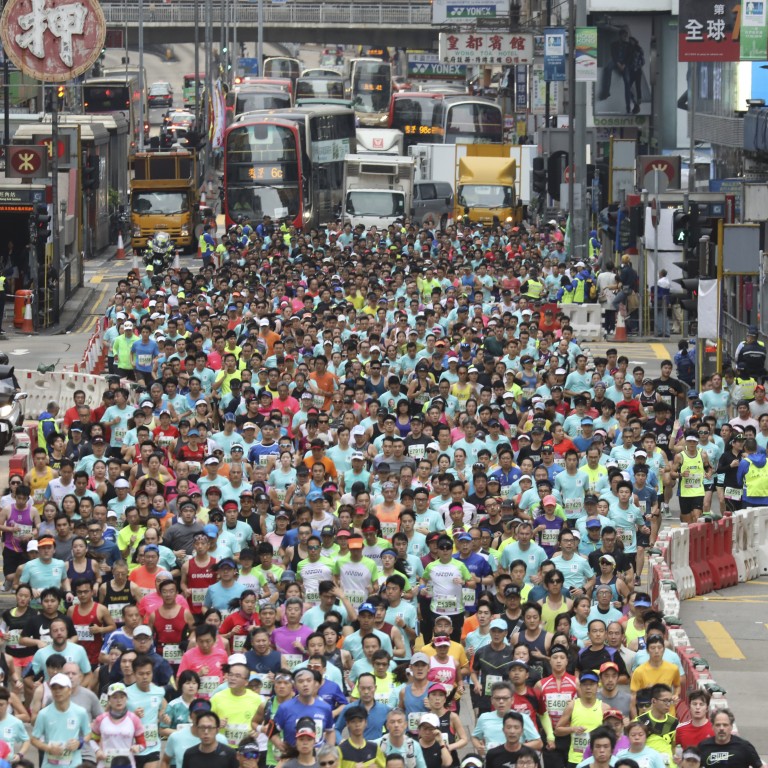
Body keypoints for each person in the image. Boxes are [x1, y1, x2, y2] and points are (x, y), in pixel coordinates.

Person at [30, 672, 91, 768]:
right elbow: (33, 739)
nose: (57, 691)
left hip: (74, 764)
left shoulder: (80, 712)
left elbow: (88, 734)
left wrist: (79, 742)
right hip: (50, 765)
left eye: (61, 688)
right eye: (54, 688)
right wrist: (48, 748)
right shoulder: (43, 714)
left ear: (69, 690)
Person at [698, 709, 765, 768]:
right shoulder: (703, 747)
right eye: (718, 725)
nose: (721, 728)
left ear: (731, 727)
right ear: (712, 727)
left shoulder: (744, 747)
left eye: (725, 725)